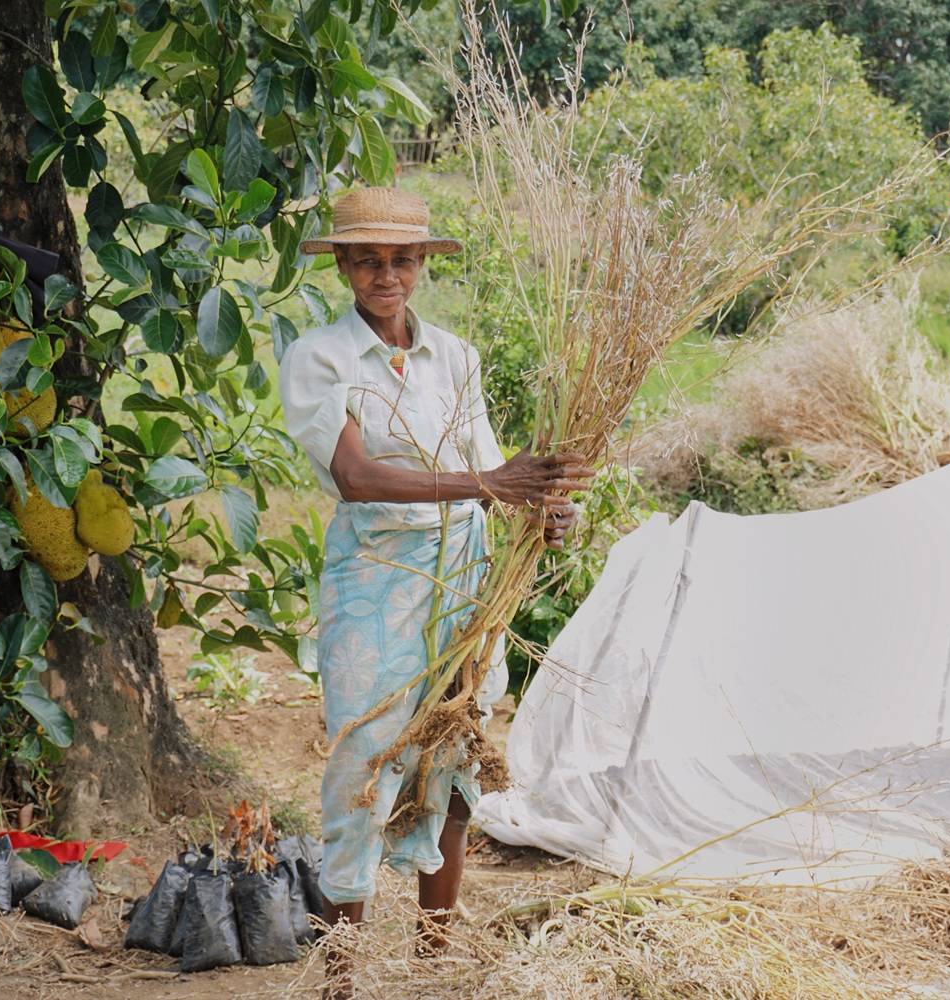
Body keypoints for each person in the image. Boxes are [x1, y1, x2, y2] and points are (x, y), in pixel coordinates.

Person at [278, 186, 592, 997]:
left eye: (403, 259)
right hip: (375, 580)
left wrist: (539, 510)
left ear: (422, 265)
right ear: (343, 264)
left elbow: (492, 473)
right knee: (363, 764)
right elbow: (355, 478)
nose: (387, 274)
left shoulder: (455, 356)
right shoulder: (320, 357)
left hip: (463, 579)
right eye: (368, 259)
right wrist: (492, 483)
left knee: (452, 757)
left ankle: (433, 965)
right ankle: (342, 975)